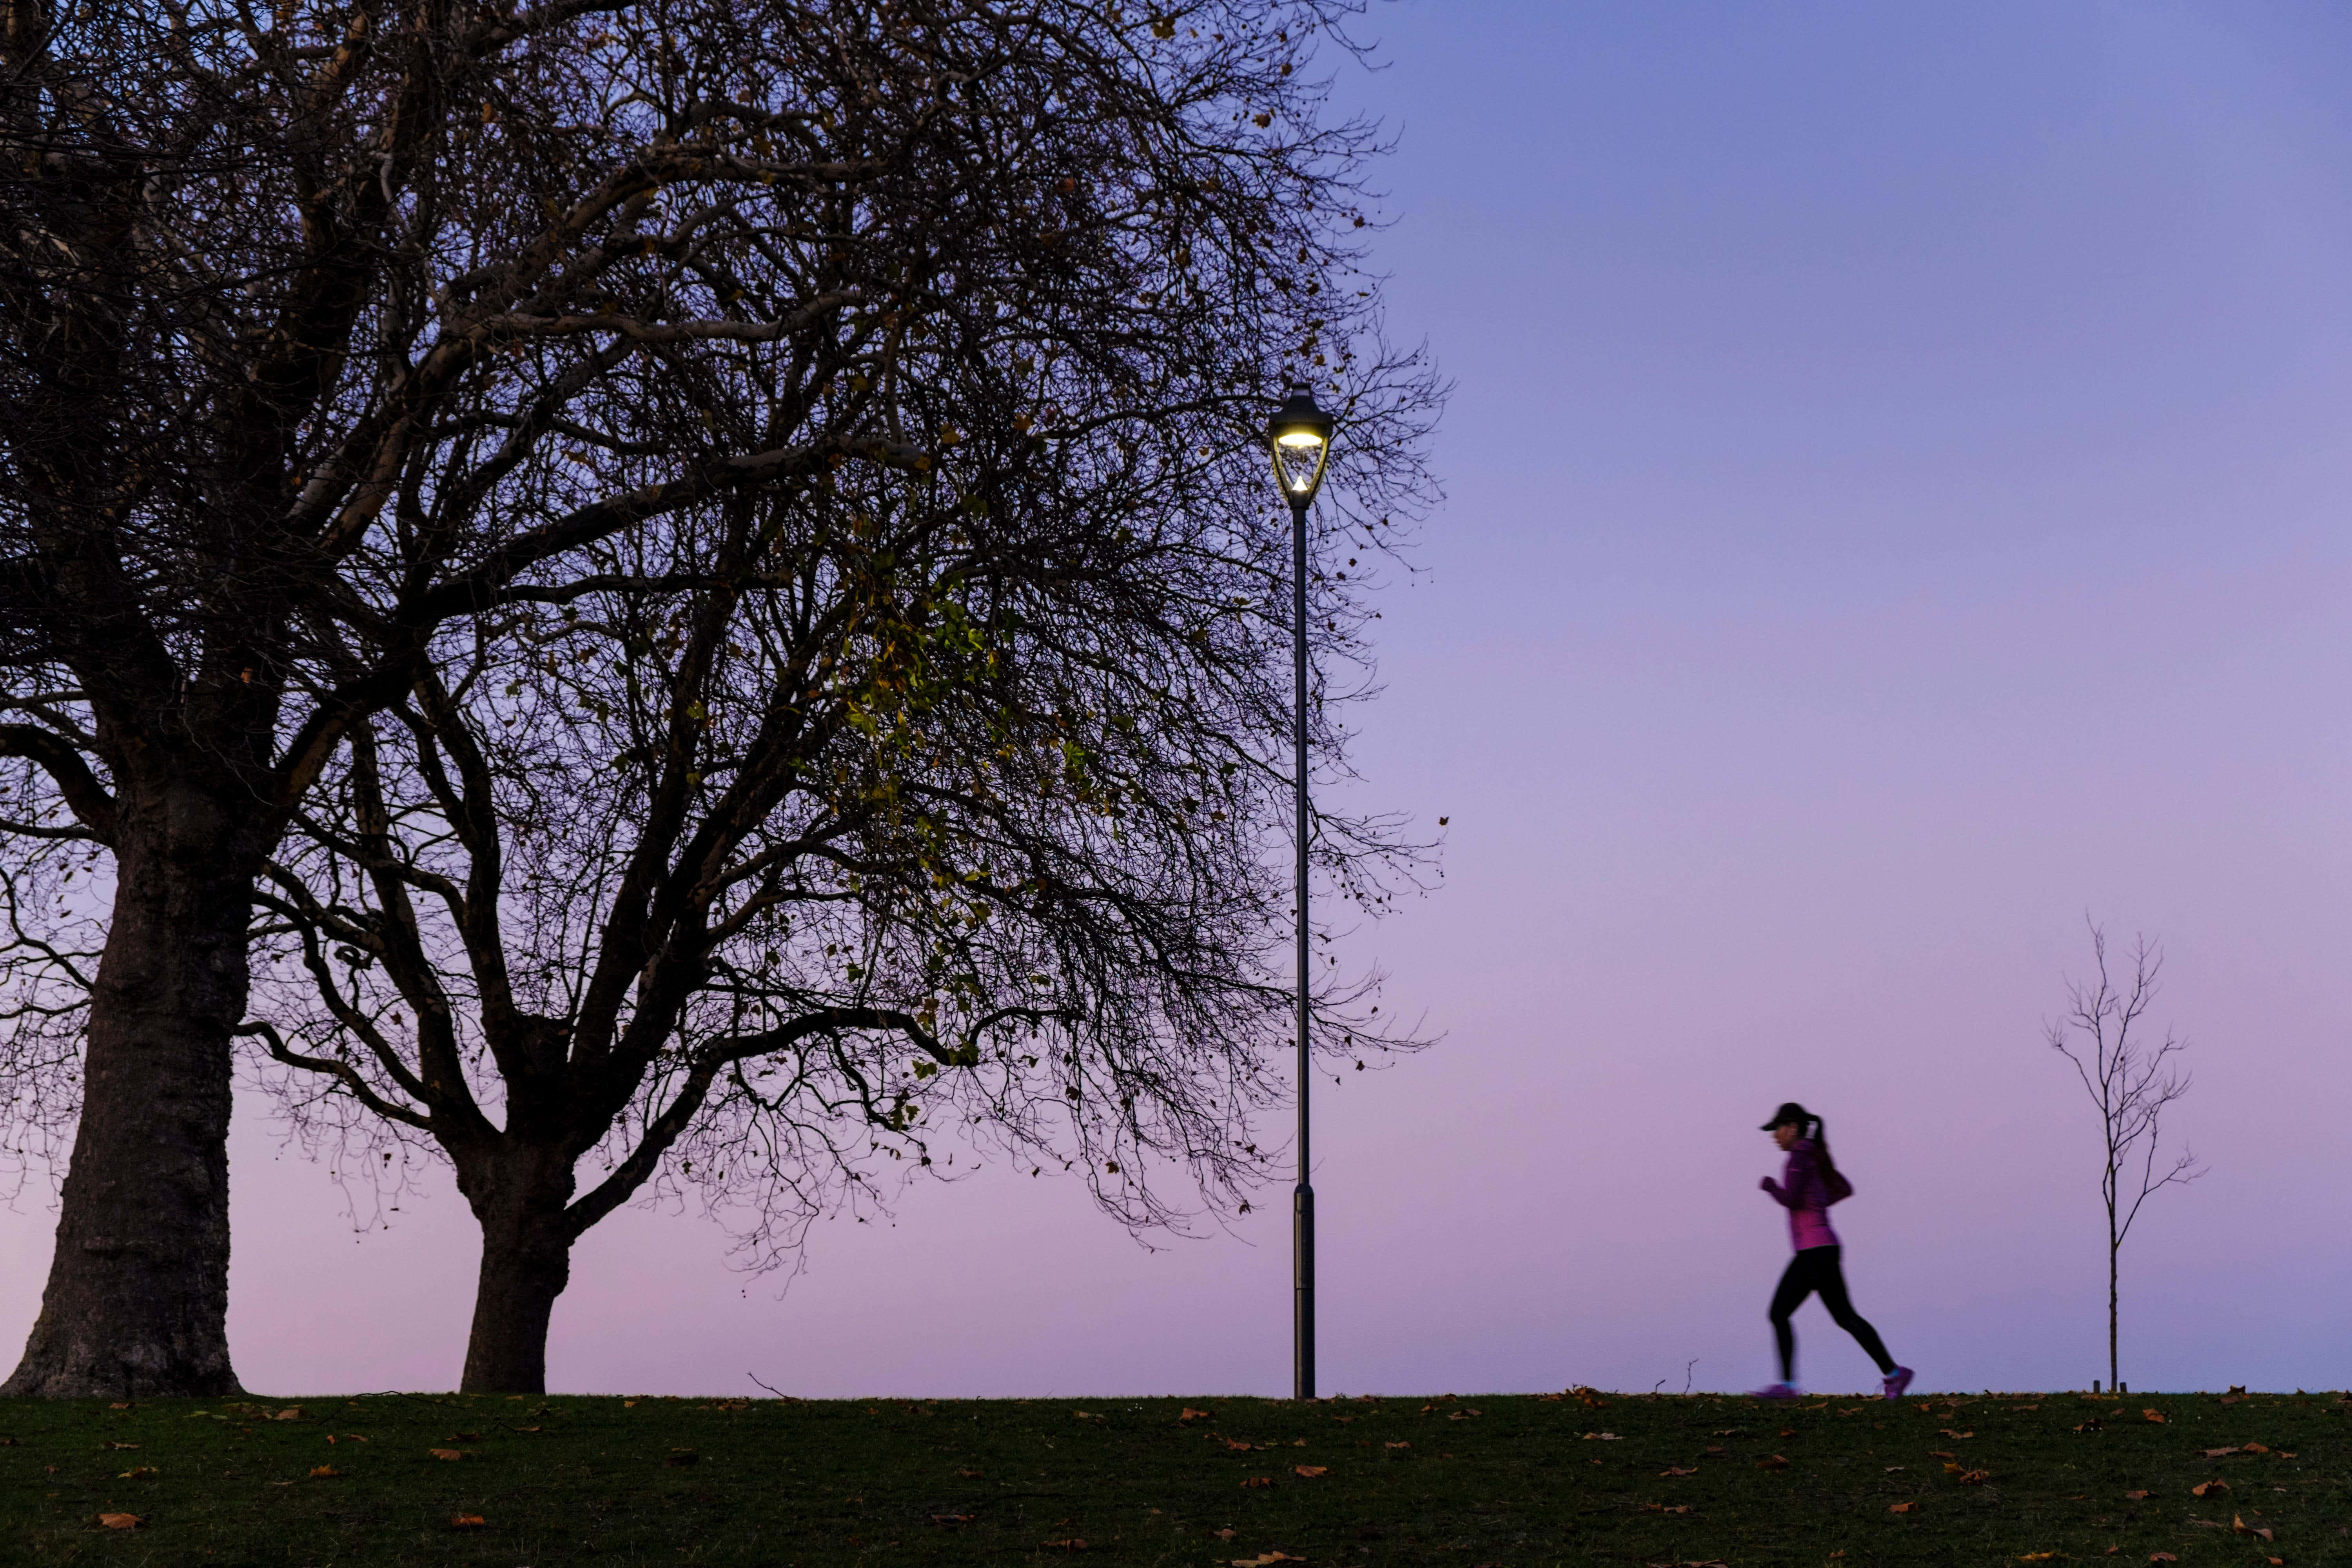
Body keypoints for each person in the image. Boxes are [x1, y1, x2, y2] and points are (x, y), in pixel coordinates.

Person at [1749, 1101, 1913, 1401]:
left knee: (1779, 1313)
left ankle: (1787, 1387)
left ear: (1793, 1128)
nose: (1774, 1137)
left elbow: (1793, 1199)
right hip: (1824, 1248)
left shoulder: (1799, 1156)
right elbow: (1842, 1189)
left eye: (1777, 1130)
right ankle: (1895, 1374)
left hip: (1813, 1252)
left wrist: (1771, 1186)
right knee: (1844, 1317)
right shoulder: (1814, 1156)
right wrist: (1819, 1205)